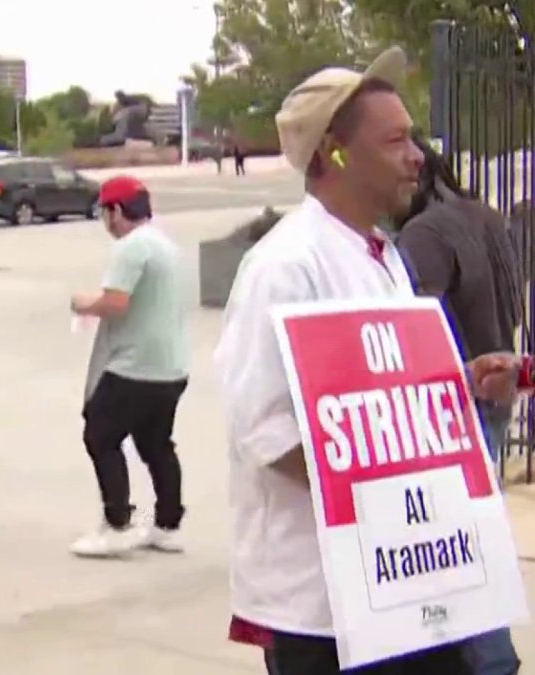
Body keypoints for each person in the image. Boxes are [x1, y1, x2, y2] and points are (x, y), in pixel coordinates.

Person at [214, 47, 473, 674]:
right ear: (334, 152)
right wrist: (388, 501)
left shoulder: (381, 255)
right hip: (327, 608)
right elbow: (266, 430)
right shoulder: (286, 267)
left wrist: (462, 384)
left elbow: (385, 402)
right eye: (396, 140)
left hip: (404, 585)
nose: (418, 156)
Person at [392, 137, 522, 675]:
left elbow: (413, 320)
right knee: (469, 534)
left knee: (454, 546)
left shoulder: (423, 233)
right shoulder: (486, 215)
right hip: (496, 386)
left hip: (456, 397)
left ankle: (490, 658)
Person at [67, 175, 189, 558]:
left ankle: (117, 522)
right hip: (171, 366)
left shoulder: (131, 248)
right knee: (156, 445)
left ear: (116, 211)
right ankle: (167, 525)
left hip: (134, 365)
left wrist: (83, 303)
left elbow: (115, 302)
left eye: (104, 212)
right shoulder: (166, 246)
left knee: (100, 435)